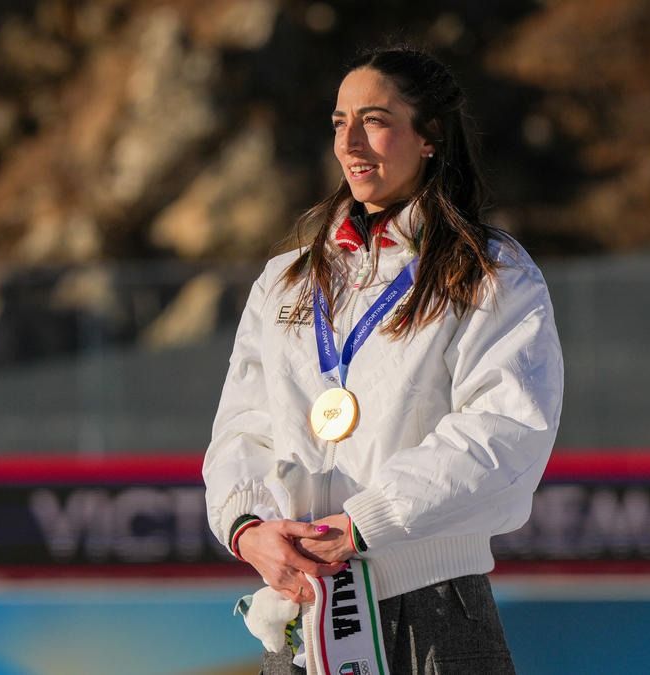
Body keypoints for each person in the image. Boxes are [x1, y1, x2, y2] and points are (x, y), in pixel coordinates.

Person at [202, 45, 563, 674]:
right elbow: (243, 426)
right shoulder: (286, 280)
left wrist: (364, 523)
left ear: (429, 136)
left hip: (432, 609)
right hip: (303, 614)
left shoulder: (489, 271)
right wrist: (249, 527)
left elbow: (506, 429)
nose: (350, 144)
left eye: (374, 121)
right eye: (339, 122)